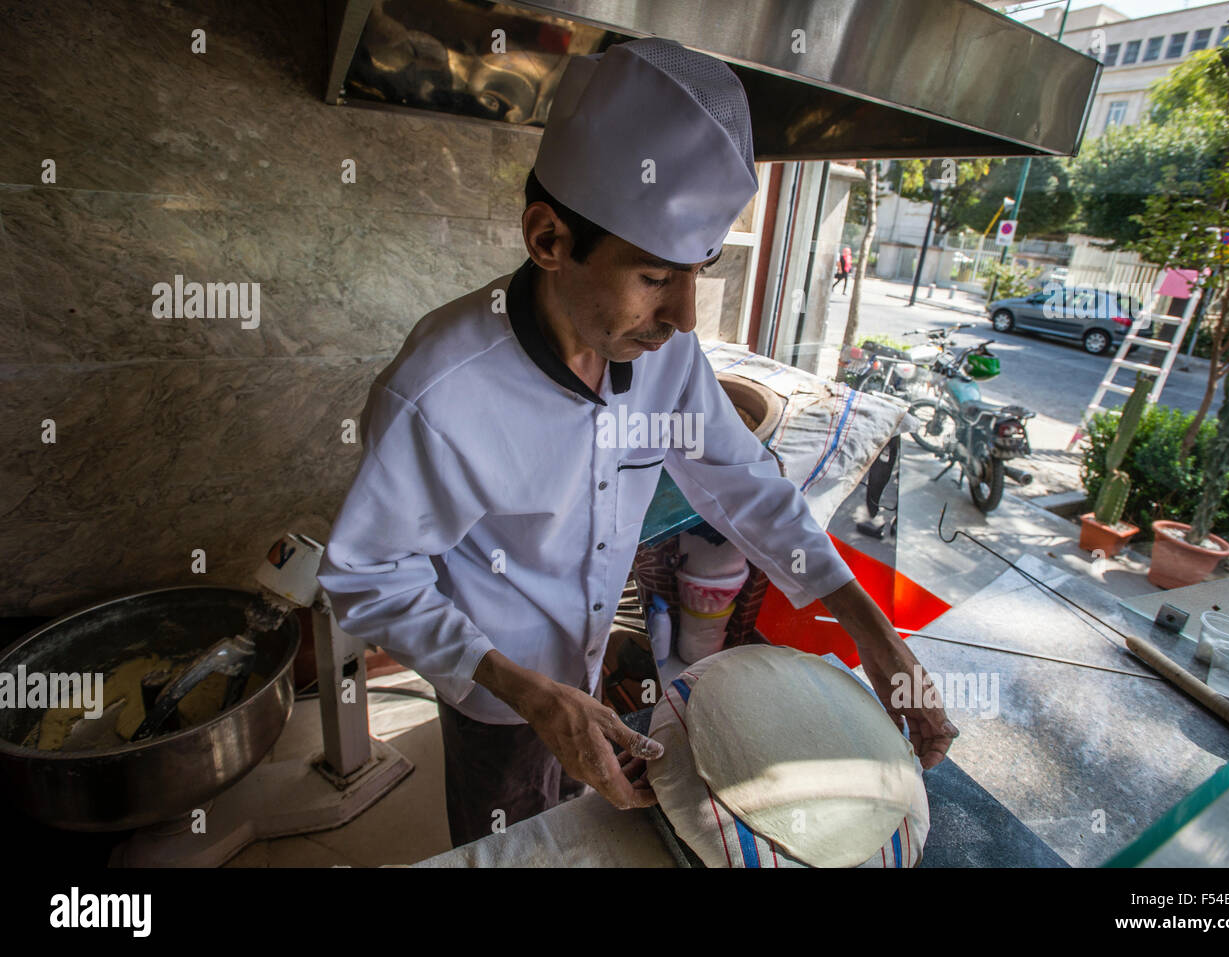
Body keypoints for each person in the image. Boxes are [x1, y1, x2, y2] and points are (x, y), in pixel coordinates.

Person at [317, 37, 957, 849]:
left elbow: (744, 484)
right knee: (513, 838)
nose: (688, 317)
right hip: (495, 686)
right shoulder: (441, 393)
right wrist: (525, 690)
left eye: (701, 270)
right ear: (549, 239)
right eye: (655, 277)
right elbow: (365, 576)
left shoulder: (667, 358)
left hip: (587, 665)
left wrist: (874, 633)